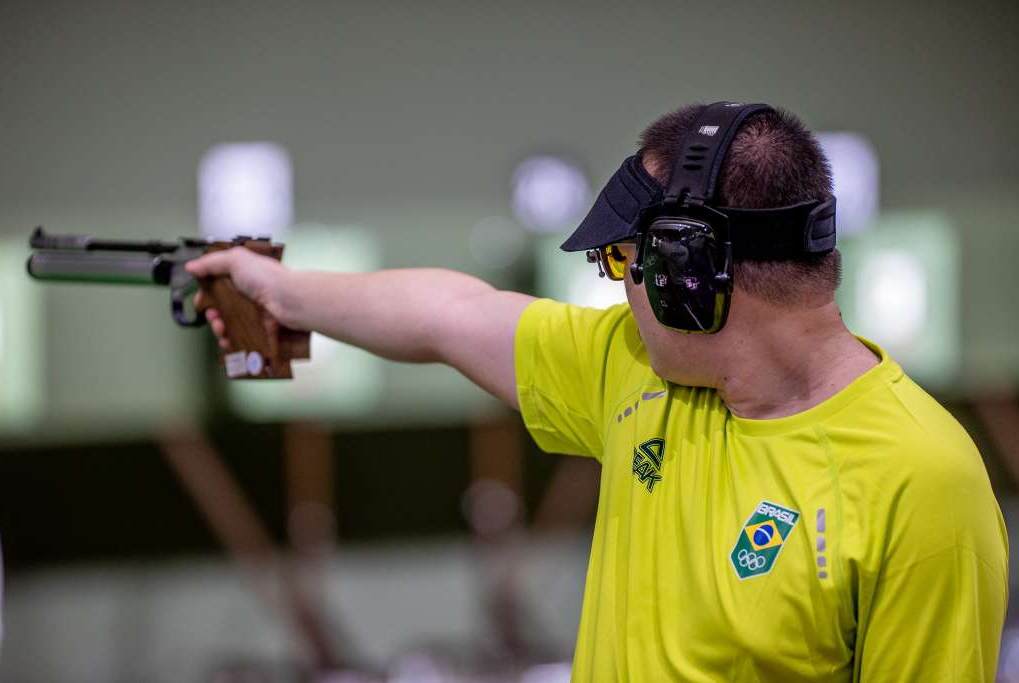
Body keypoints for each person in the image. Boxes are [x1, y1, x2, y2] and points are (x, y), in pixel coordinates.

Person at [186, 102, 1008, 681]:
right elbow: (447, 314)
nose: (619, 291)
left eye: (625, 263)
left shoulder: (922, 480)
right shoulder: (638, 369)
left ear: (690, 273)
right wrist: (280, 293)